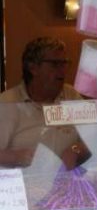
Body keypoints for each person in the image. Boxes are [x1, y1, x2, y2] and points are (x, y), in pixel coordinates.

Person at [0, 37, 90, 170]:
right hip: (21, 185)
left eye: (64, 63)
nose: (62, 70)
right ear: (33, 68)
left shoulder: (71, 95)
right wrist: (16, 157)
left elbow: (95, 138)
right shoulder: (7, 103)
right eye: (55, 64)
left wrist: (76, 151)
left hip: (67, 183)